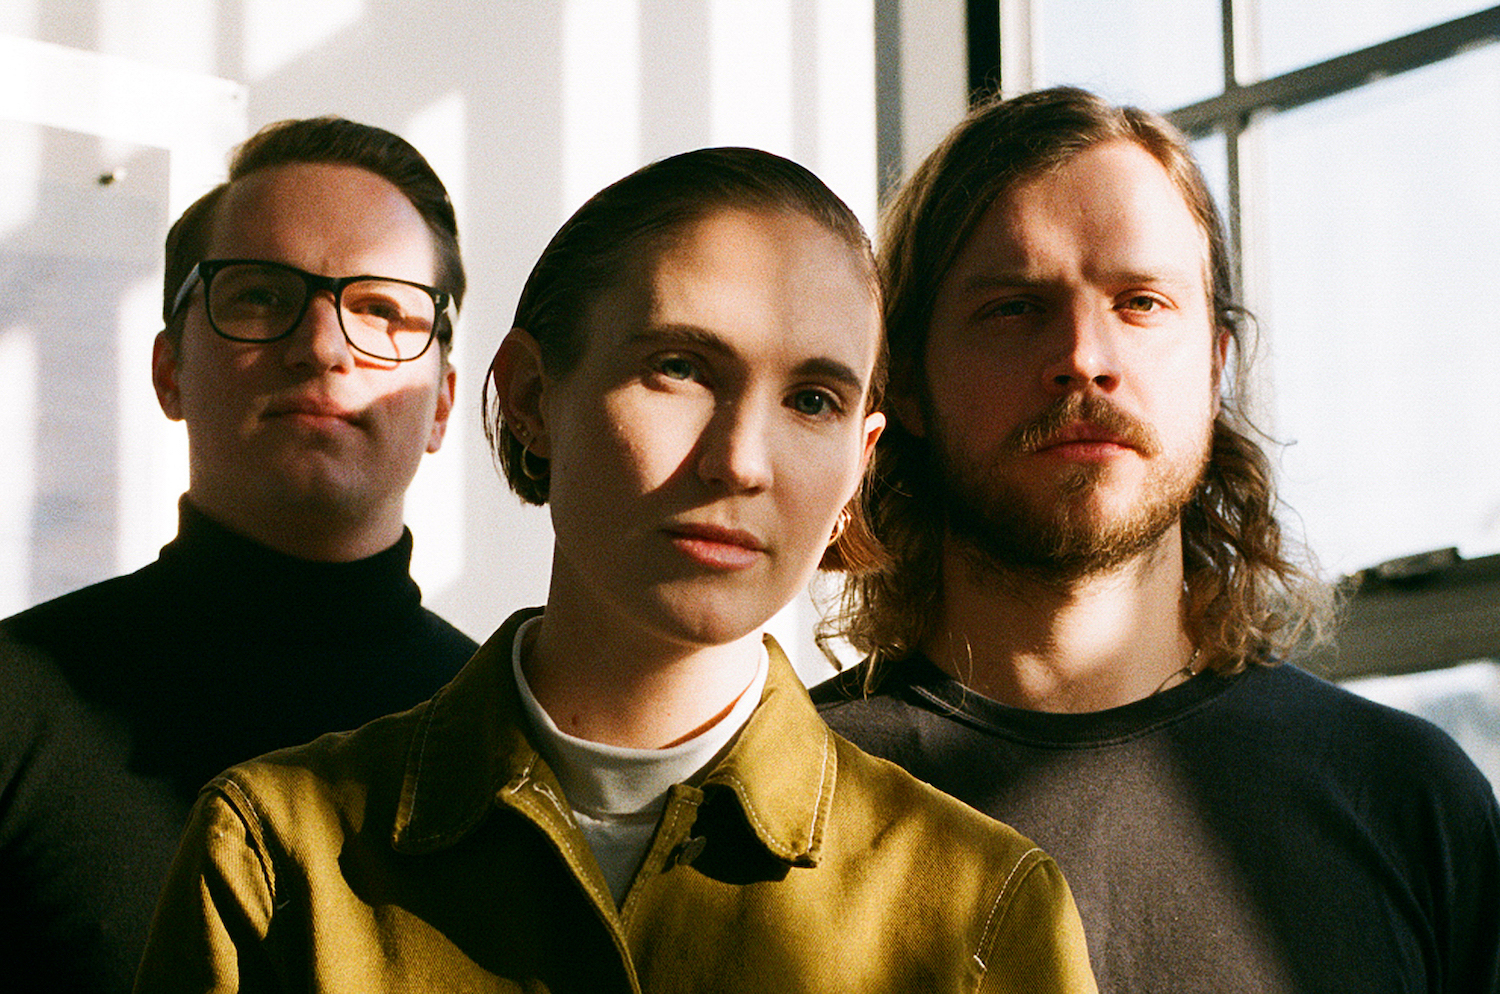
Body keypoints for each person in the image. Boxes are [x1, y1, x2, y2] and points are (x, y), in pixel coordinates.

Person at [134, 147, 1098, 993]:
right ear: (530, 395)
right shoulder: (276, 853)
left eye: (812, 399)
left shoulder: (980, 907)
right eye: (680, 367)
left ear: (860, 462)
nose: (741, 462)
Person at [813, 87, 1500, 993]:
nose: (1083, 357)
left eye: (1140, 302)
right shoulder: (778, 803)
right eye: (1014, 308)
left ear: (1216, 369)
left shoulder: (1411, 800)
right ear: (904, 381)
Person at [0, 117, 478, 993]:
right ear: (169, 370)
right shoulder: (14, 703)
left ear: (442, 403)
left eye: (382, 310)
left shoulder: (515, 738)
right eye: (260, 295)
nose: (323, 347)